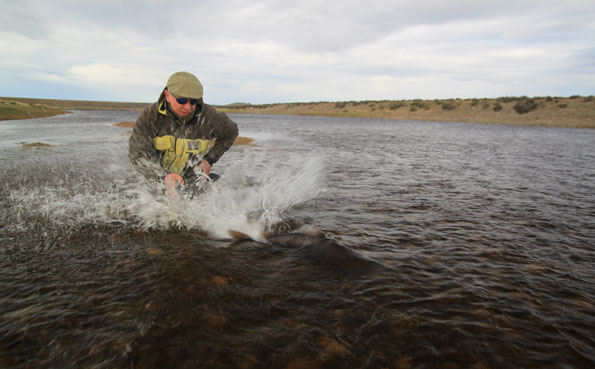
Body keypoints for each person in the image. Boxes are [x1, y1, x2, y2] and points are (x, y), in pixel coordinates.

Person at [129, 71, 239, 196]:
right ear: (168, 95)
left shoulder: (210, 117)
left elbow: (231, 131)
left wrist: (209, 159)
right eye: (181, 100)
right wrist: (162, 177)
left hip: (192, 182)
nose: (188, 107)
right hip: (157, 181)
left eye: (193, 102)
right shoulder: (150, 117)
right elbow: (138, 154)